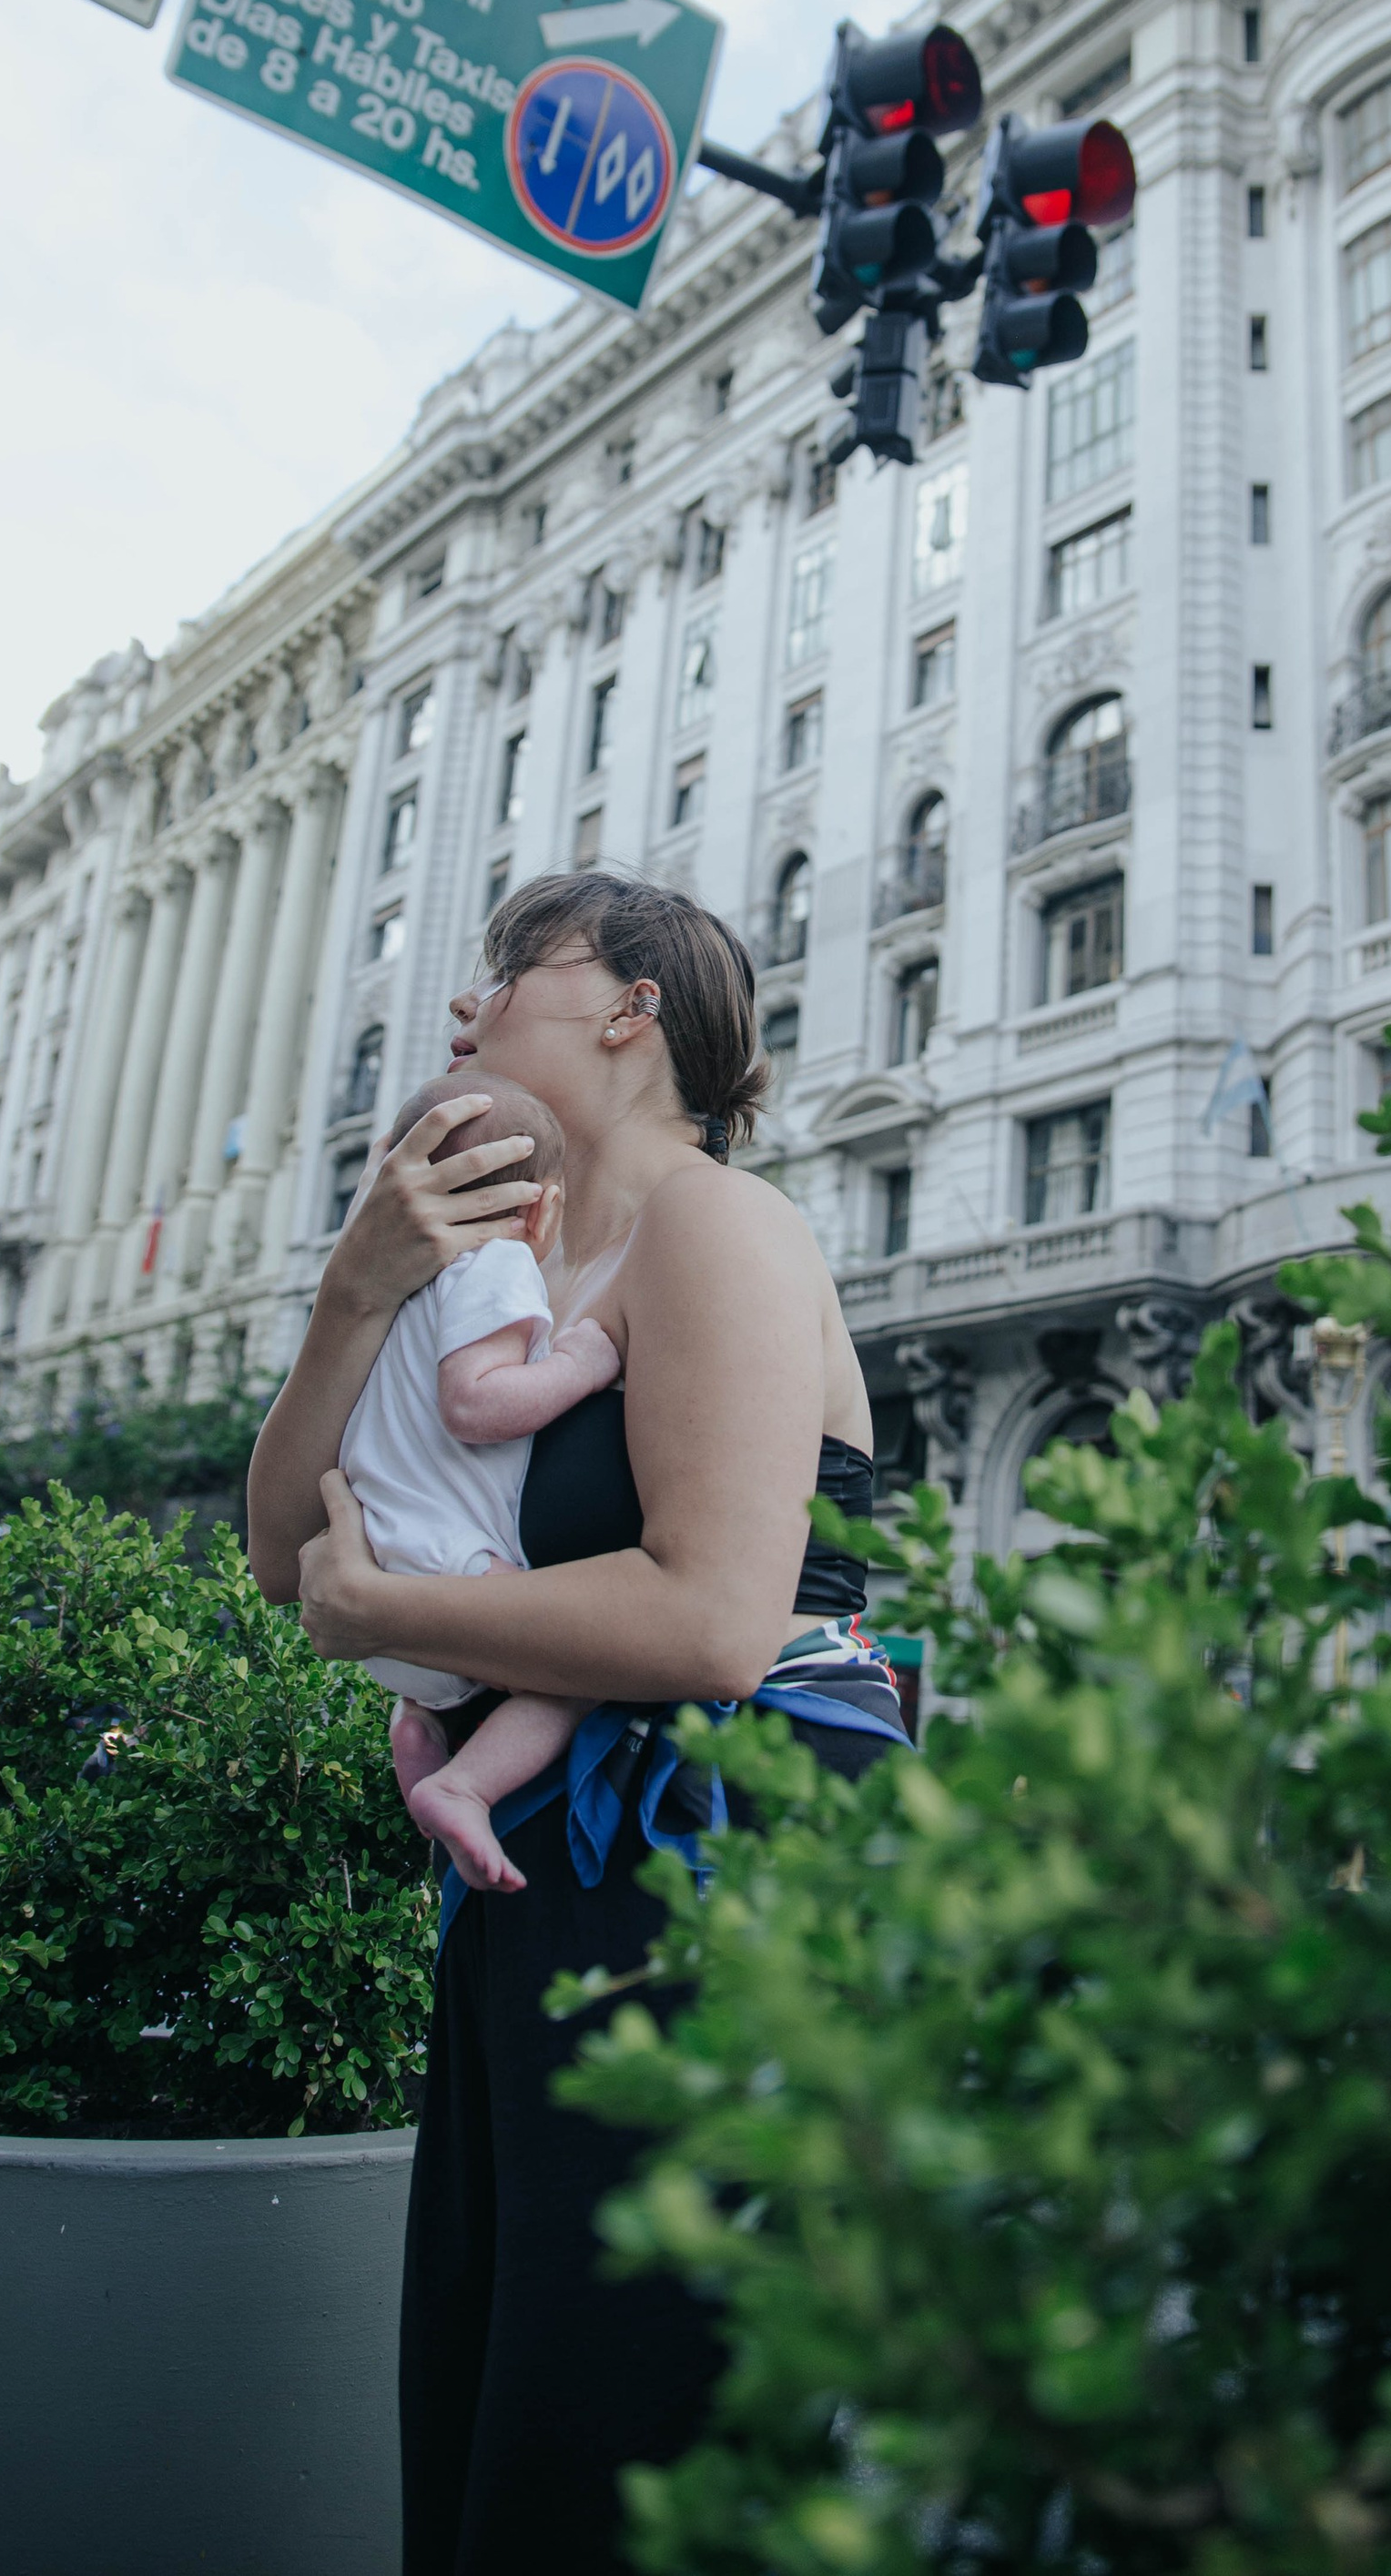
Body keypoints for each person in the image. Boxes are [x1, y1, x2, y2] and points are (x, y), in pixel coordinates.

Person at [248, 871, 905, 2576]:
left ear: (631, 1004)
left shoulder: (717, 1223)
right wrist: (357, 1286)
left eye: (505, 977)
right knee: (501, 2362)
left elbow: (710, 1619)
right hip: (540, 1879)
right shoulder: (506, 1256)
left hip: (712, 1862)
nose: (463, 1016)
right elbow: (280, 1547)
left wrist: (392, 1617)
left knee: (623, 2404)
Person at [337, 1069, 623, 1892]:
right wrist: (578, 1363)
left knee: (434, 1699)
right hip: (444, 1560)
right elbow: (475, 1402)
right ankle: (461, 1784)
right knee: (579, 1668)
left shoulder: (394, 1285)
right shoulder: (495, 1262)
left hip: (381, 1547)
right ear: (542, 1209)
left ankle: (417, 1727)